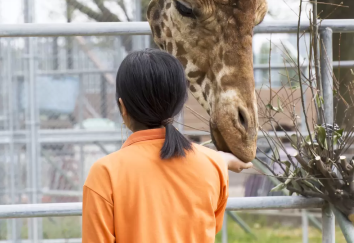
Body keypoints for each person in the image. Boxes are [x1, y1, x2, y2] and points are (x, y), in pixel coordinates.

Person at [82, 49, 253, 243]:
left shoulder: (105, 173)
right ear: (179, 104)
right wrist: (222, 160)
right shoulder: (213, 166)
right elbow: (209, 228)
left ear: (123, 108)